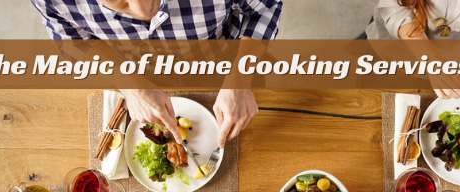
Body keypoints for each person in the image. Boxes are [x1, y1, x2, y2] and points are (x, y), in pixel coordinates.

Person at [29, 0, 284, 146]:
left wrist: (240, 76)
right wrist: (131, 87)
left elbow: (265, 8)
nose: (143, 11)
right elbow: (74, 41)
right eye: (122, 2)